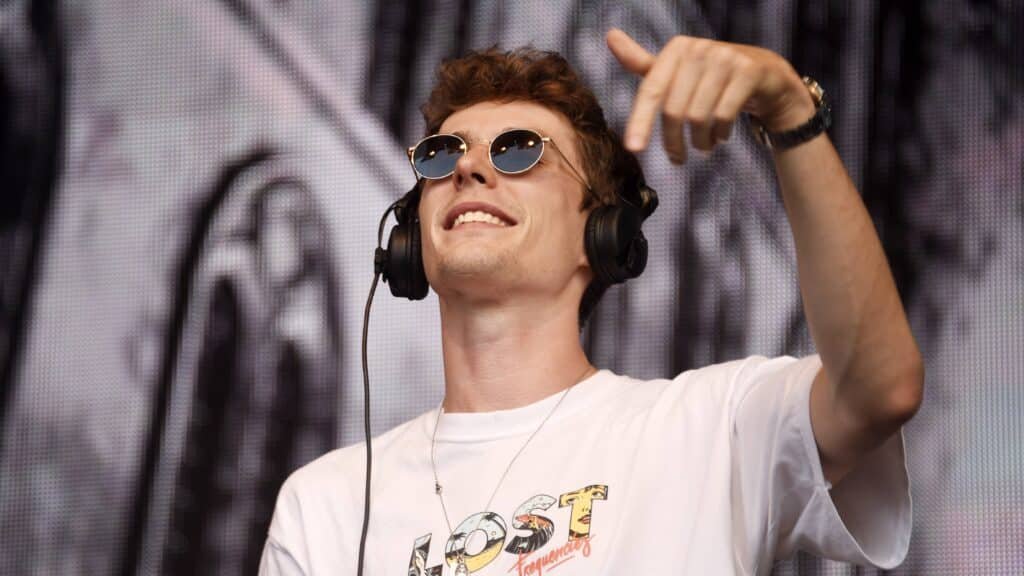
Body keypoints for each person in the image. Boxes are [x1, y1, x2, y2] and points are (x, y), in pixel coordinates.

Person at [259, 28, 923, 575]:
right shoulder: (322, 505)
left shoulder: (707, 427)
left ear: (600, 233)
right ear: (409, 239)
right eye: (440, 155)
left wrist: (788, 114)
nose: (467, 168)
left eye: (518, 152)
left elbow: (880, 389)